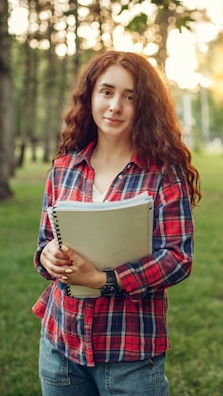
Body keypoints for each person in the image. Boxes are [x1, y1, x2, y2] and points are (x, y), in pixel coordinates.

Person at [32, 50, 201, 396]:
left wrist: (103, 279)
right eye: (107, 92)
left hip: (130, 353)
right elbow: (45, 242)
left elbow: (177, 258)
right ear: (90, 96)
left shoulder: (163, 175)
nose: (115, 106)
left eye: (130, 97)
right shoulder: (63, 169)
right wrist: (47, 256)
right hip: (61, 344)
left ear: (145, 106)